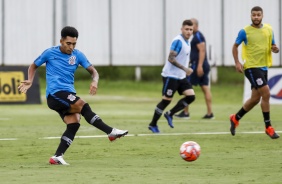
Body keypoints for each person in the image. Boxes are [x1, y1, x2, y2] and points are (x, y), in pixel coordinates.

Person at [18, 26, 128, 165]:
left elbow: (94, 71)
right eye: (68, 43)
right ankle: (110, 132)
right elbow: (33, 66)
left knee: (74, 122)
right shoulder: (50, 53)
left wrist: (95, 81)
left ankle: (57, 156)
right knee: (83, 105)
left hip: (67, 94)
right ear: (61, 41)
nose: (71, 47)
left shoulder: (78, 55)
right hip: (55, 94)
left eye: (74, 44)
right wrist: (30, 80)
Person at [230, 6, 280, 139]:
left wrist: (275, 49)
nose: (256, 17)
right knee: (266, 93)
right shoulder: (244, 31)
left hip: (264, 67)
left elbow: (272, 45)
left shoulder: (269, 29)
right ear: (251, 16)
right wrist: (237, 62)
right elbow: (235, 46)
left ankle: (235, 118)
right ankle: (268, 127)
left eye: (258, 15)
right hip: (251, 67)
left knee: (255, 99)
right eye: (254, 15)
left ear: (262, 15)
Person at [148, 20, 195, 133]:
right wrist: (185, 69)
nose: (189, 32)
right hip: (171, 76)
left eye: (191, 29)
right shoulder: (178, 41)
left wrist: (187, 67)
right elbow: (171, 58)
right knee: (166, 101)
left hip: (180, 76)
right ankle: (153, 124)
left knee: (191, 96)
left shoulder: (187, 41)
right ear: (182, 29)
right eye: (186, 29)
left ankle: (170, 114)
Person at [175, 18, 214, 119]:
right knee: (205, 88)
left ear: (196, 26)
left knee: (186, 87)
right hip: (201, 65)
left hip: (198, 66)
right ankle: (210, 113)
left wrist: (199, 66)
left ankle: (185, 113)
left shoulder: (198, 36)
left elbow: (202, 50)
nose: (189, 29)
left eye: (191, 26)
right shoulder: (196, 36)